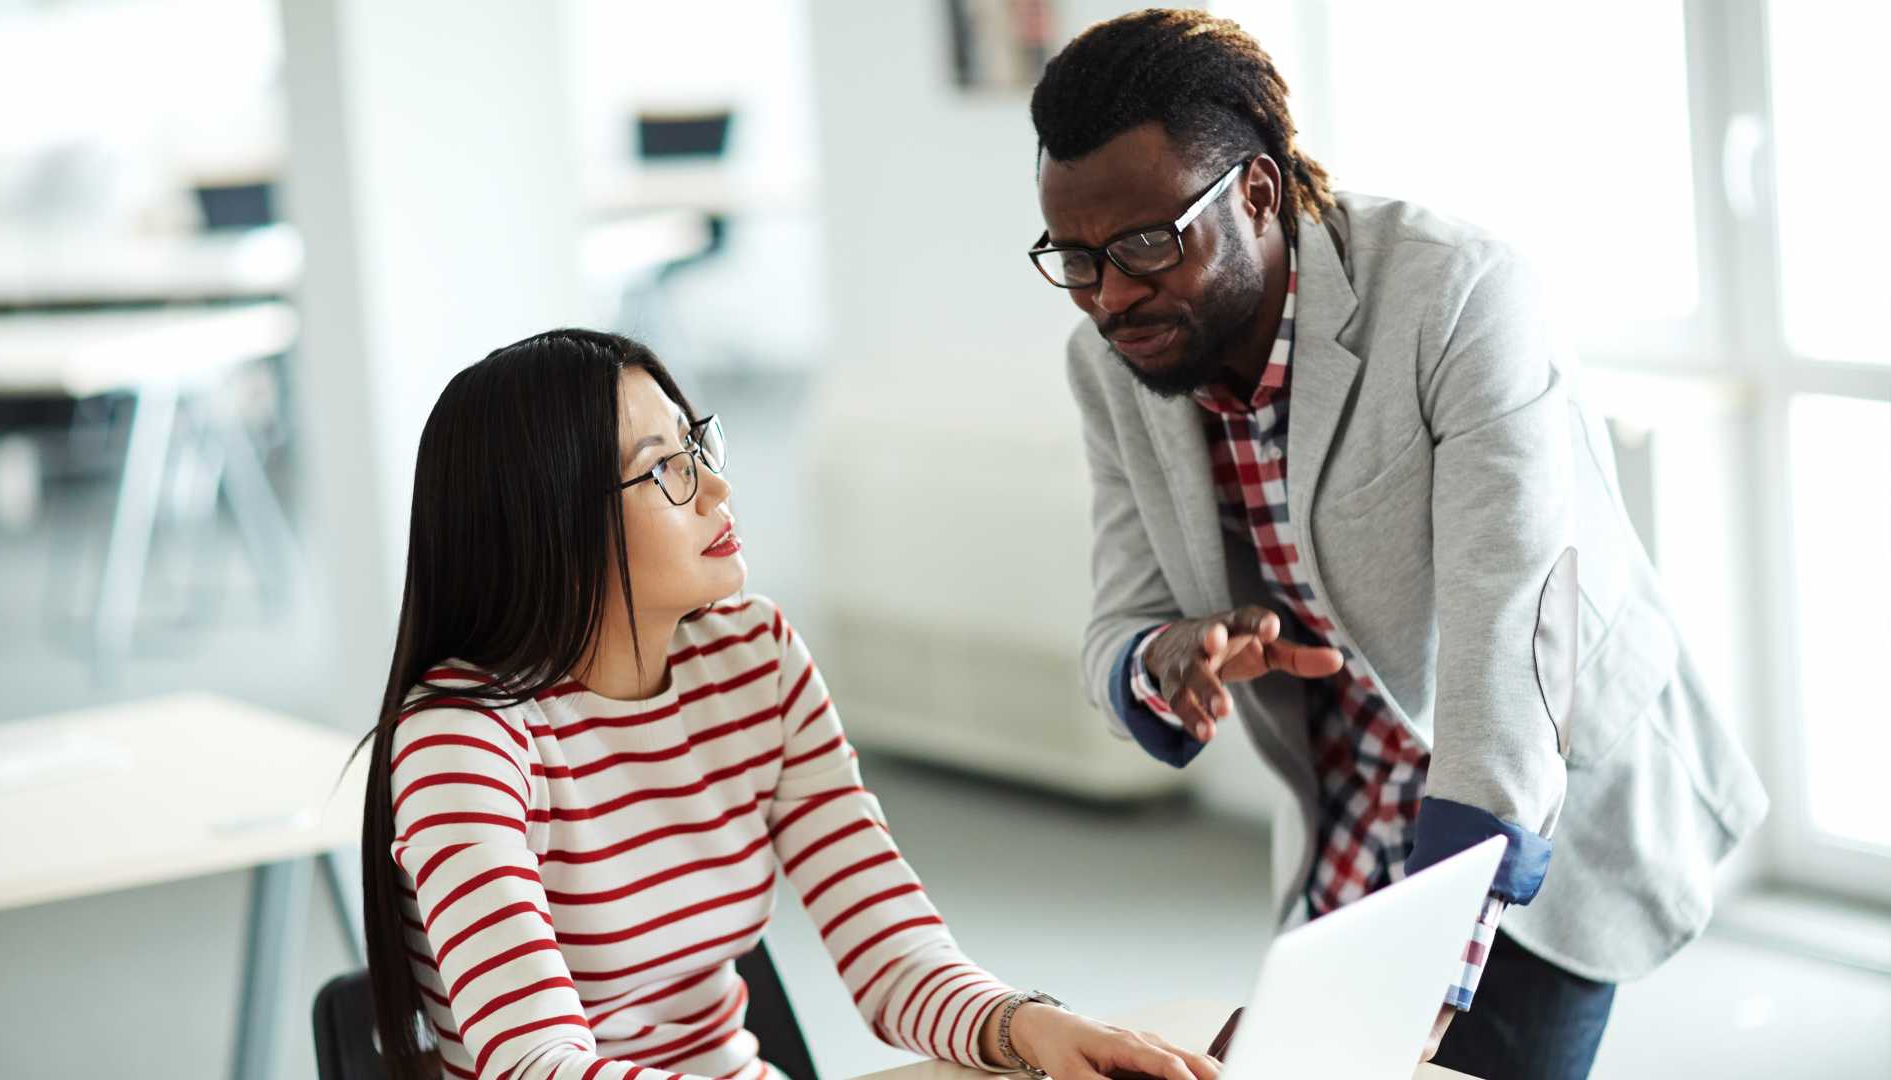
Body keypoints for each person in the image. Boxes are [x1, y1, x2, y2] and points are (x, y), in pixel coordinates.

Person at [1025, 11, 1767, 1080]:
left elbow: (1513, 632)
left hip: (1531, 783)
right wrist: (1162, 659)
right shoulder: (1111, 365)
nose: (1110, 297)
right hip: (1354, 794)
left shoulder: (1457, 293)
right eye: (1076, 256)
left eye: (1146, 245)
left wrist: (1428, 962)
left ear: (1257, 193)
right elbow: (1116, 621)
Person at [354, 329, 1222, 1080]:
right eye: (663, 471)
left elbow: (890, 950)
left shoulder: (751, 658)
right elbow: (536, 1064)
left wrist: (1029, 1024)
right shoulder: (462, 743)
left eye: (698, 447)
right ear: (545, 521)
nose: (717, 491)